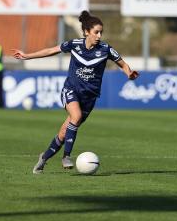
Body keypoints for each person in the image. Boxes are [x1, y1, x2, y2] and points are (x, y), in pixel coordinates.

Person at [12, 10, 139, 174]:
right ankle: (66, 156)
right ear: (87, 32)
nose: (99, 35)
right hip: (71, 90)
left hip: (89, 97)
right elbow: (52, 50)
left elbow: (122, 64)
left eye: (101, 32)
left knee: (64, 133)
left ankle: (44, 158)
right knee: (76, 116)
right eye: (96, 32)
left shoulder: (106, 49)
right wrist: (27, 56)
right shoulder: (74, 44)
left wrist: (129, 73)